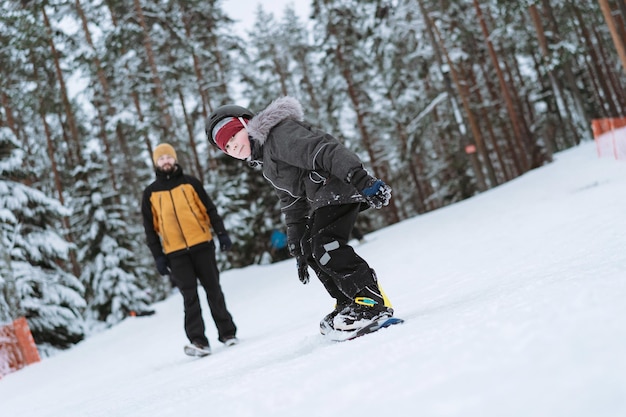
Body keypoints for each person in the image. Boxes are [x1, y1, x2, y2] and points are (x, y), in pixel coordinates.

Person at [205, 97, 394, 335]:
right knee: (311, 248)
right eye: (227, 147)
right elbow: (291, 201)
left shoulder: (279, 135)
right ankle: (347, 301)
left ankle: (370, 301)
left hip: (339, 185)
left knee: (326, 245)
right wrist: (296, 240)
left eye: (234, 137)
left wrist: (360, 178)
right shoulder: (266, 162)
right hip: (323, 197)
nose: (234, 147)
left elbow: (324, 150)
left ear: (247, 124)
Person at [141, 143, 238, 356]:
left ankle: (228, 333)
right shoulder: (150, 194)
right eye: (161, 158)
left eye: (168, 157)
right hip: (175, 254)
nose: (165, 161)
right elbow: (150, 229)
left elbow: (210, 209)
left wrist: (221, 233)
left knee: (214, 290)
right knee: (189, 297)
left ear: (174, 159)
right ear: (156, 163)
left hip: (202, 245)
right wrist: (158, 256)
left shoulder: (191, 183)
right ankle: (199, 341)